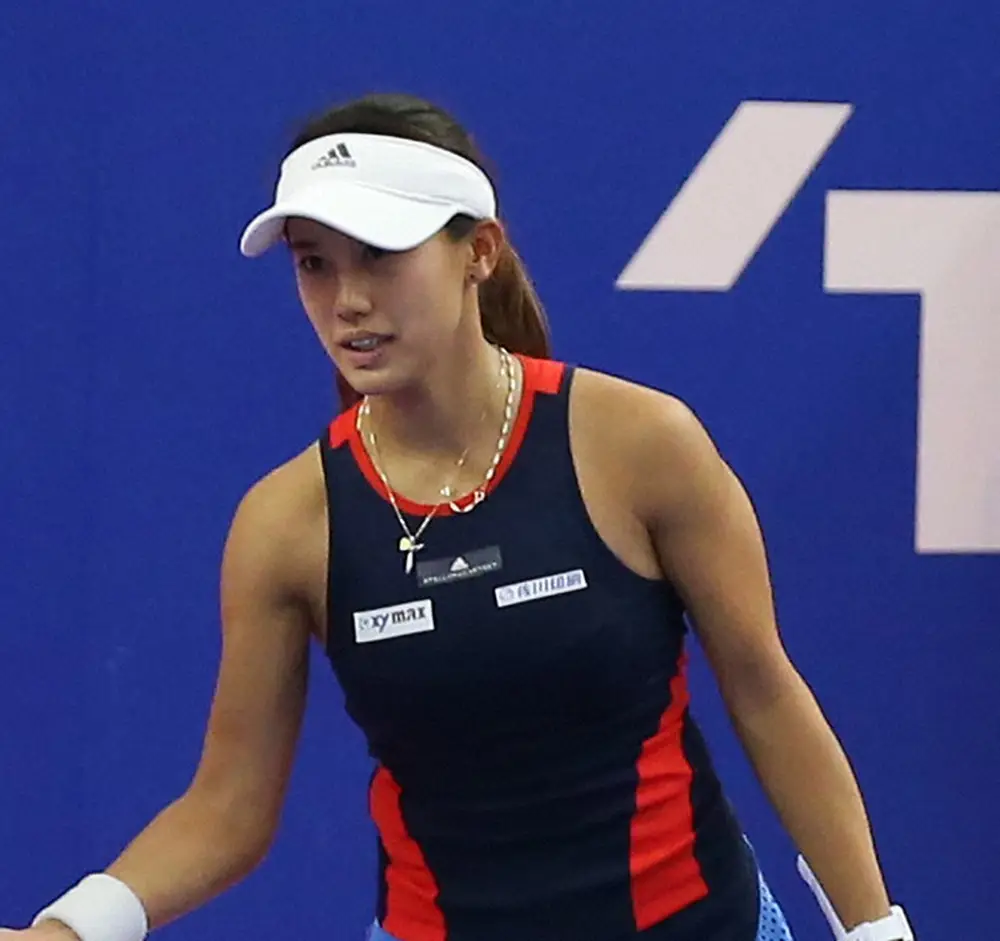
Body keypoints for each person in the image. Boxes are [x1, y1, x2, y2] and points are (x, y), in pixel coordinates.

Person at [4, 93, 915, 941]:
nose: (347, 300)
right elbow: (229, 806)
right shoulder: (286, 524)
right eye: (314, 263)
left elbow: (764, 692)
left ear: (480, 251)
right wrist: (69, 929)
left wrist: (877, 930)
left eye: (379, 255)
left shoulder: (643, 444)